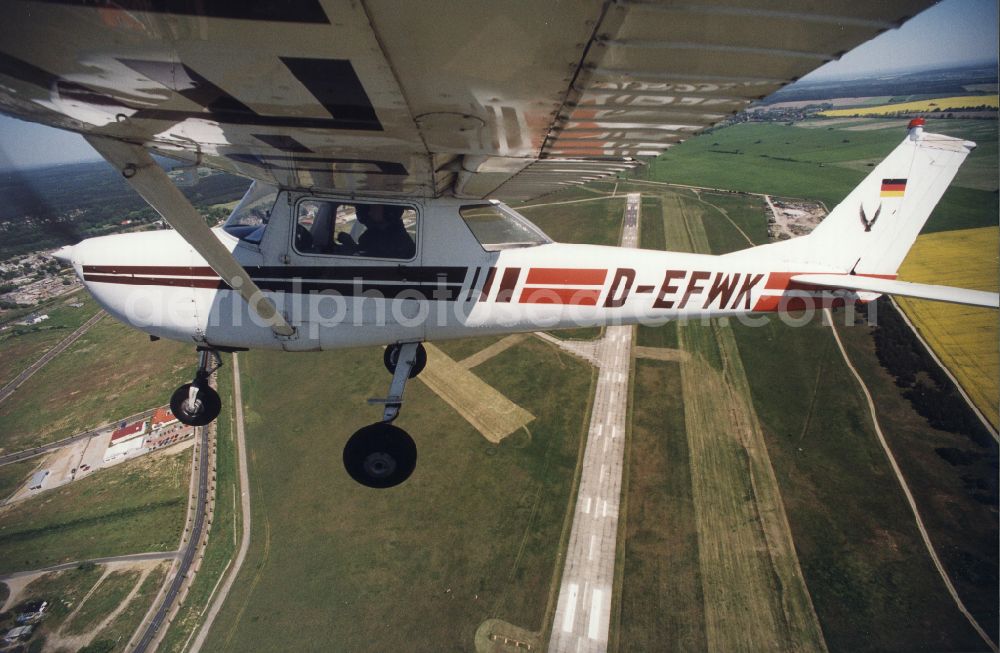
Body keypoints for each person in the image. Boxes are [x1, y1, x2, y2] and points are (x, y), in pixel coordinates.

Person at [345, 204, 415, 259]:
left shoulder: (397, 239)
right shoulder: (375, 232)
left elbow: (370, 255)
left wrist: (351, 245)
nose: (370, 213)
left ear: (387, 211)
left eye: (374, 208)